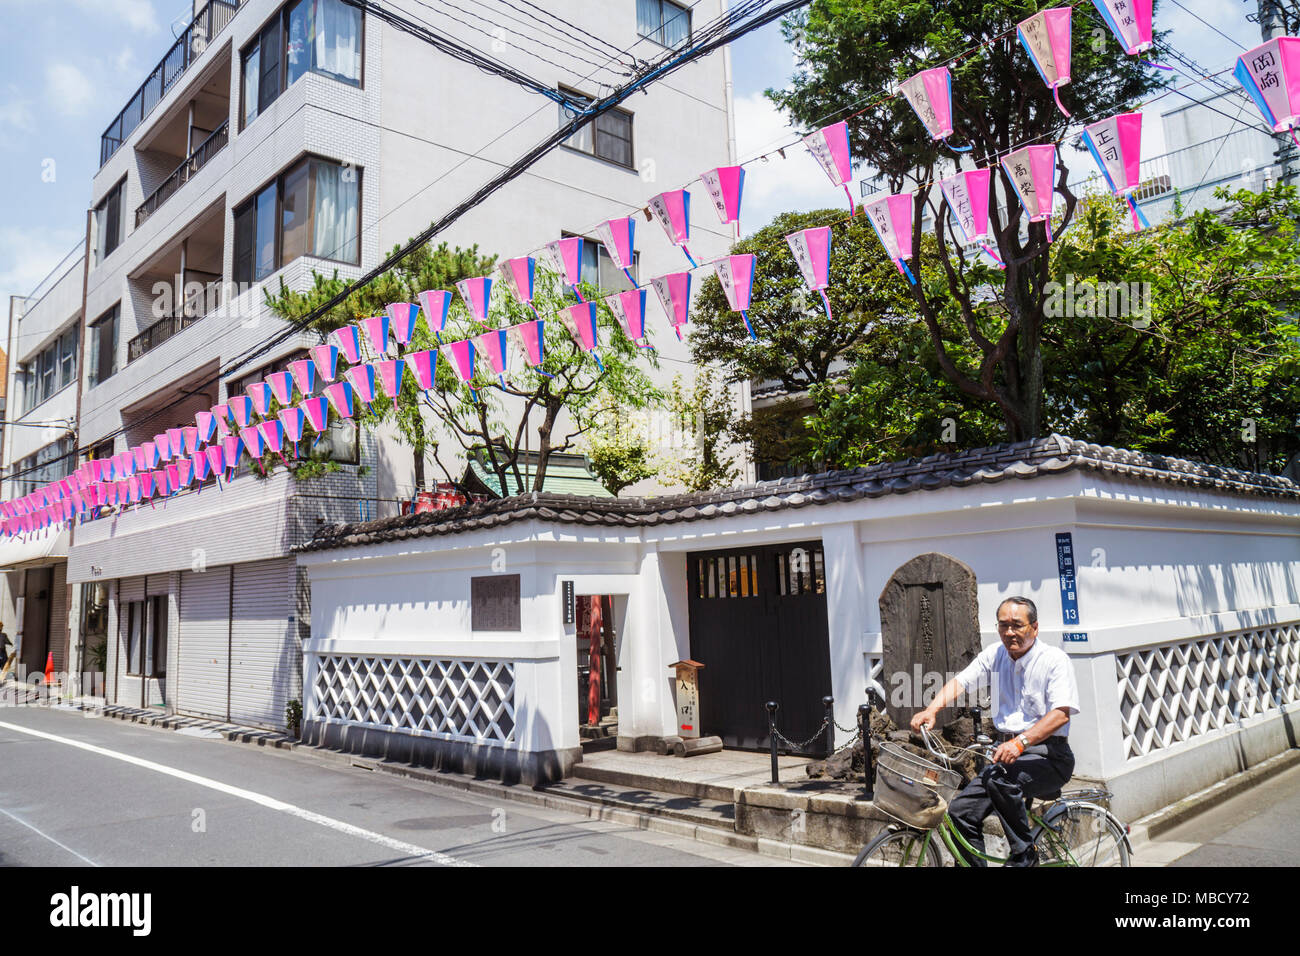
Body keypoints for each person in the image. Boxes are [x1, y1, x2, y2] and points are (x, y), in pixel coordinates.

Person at [910, 596, 1079, 867]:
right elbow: (961, 681)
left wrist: (1020, 743)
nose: (1009, 632)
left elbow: (1061, 713)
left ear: (1034, 628)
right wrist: (932, 709)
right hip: (1004, 757)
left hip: (1049, 755)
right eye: (1003, 625)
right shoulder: (995, 654)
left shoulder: (1054, 660)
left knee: (1001, 781)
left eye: (1017, 625)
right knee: (959, 813)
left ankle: (1026, 854)